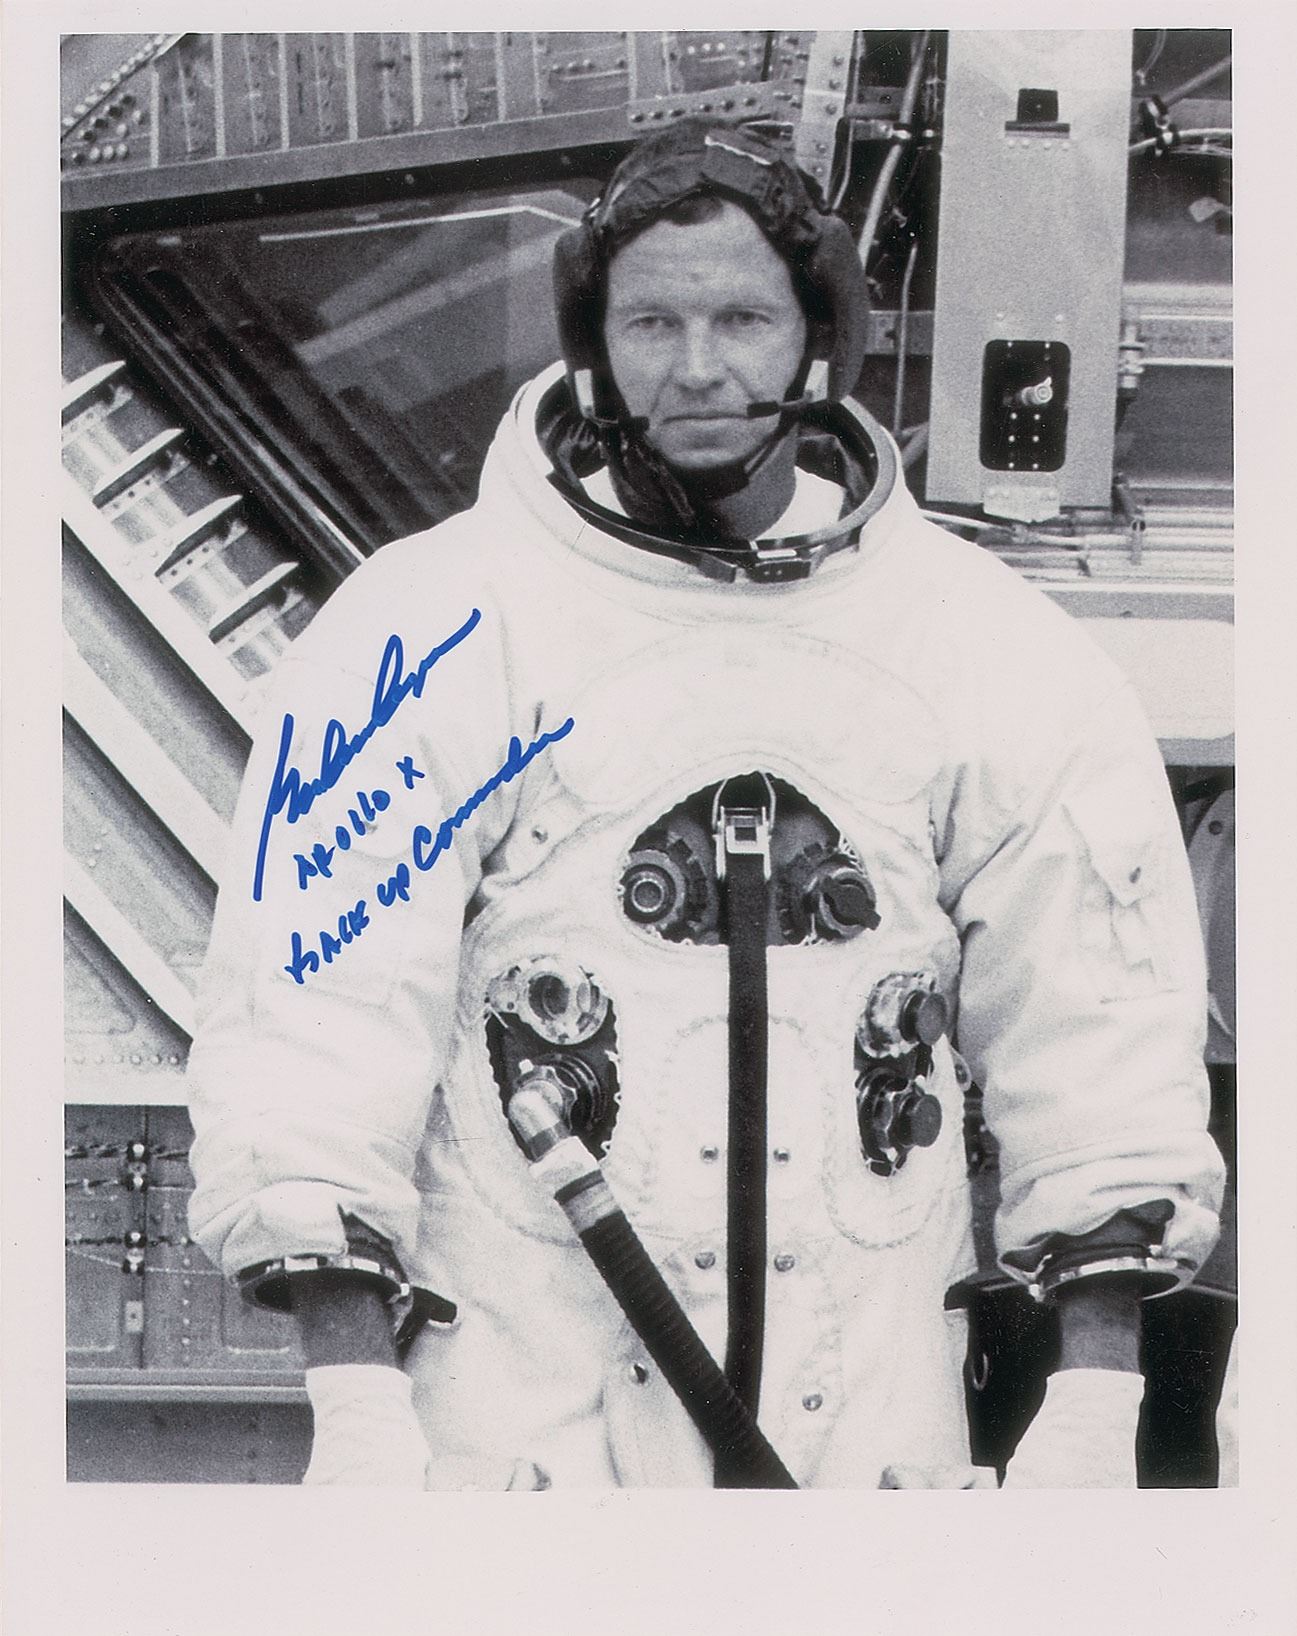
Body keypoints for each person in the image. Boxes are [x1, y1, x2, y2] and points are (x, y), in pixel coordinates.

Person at [186, 118, 1224, 1489]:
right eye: (651, 323)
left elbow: (1097, 1030)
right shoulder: (433, 629)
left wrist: (1092, 1399)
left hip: (867, 1443)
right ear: (591, 344)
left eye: (742, 319)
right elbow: (317, 1023)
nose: (696, 368)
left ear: (817, 338)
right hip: (519, 1446)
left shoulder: (981, 643)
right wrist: (356, 1399)